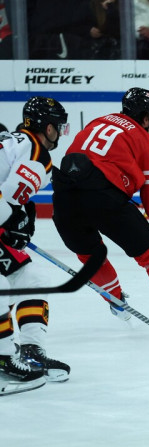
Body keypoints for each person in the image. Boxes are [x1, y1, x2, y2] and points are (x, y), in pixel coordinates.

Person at [51, 87, 149, 331]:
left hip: (63, 198)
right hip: (105, 199)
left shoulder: (96, 122)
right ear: (145, 118)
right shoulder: (147, 143)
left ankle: (116, 303)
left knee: (91, 256)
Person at [0, 97, 71, 395]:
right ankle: (3, 358)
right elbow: (7, 201)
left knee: (31, 278)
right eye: (58, 127)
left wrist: (13, 222)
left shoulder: (16, 140)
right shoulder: (36, 153)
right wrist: (11, 223)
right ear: (47, 126)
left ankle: (30, 349)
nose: (60, 134)